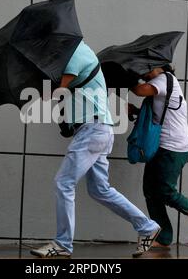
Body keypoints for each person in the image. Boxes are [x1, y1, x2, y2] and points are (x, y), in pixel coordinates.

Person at [31, 41, 161, 258]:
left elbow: (59, 90)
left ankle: (63, 244)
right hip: (97, 129)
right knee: (100, 189)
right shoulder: (77, 55)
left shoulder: (76, 53)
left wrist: (48, 89)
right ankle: (147, 227)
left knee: (63, 183)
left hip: (93, 130)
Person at [128, 64, 188, 250]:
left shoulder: (164, 79)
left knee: (165, 191)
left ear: (155, 65)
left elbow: (138, 90)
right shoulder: (160, 83)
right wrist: (136, 111)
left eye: (142, 68)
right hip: (161, 146)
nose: (140, 73)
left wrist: (125, 77)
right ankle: (163, 236)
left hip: (173, 147)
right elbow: (160, 114)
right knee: (151, 192)